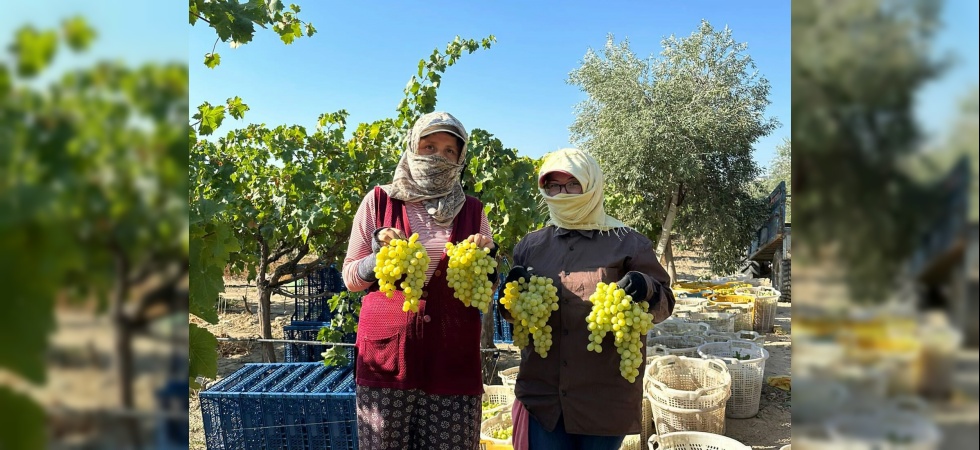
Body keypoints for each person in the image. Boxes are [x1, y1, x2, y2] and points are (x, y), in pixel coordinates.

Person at [341, 111, 497, 450]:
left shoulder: (473, 210)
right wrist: (377, 259)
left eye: (448, 151)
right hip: (387, 363)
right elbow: (351, 277)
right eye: (429, 147)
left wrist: (487, 258)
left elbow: (485, 291)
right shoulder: (379, 200)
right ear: (413, 147)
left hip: (453, 361)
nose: (438, 157)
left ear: (460, 158)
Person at [501, 148, 674, 450]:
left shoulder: (628, 242)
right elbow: (514, 317)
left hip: (603, 400)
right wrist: (510, 294)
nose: (562, 193)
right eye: (553, 185)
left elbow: (665, 304)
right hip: (544, 399)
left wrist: (644, 285)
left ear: (591, 185)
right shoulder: (531, 246)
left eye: (572, 184)